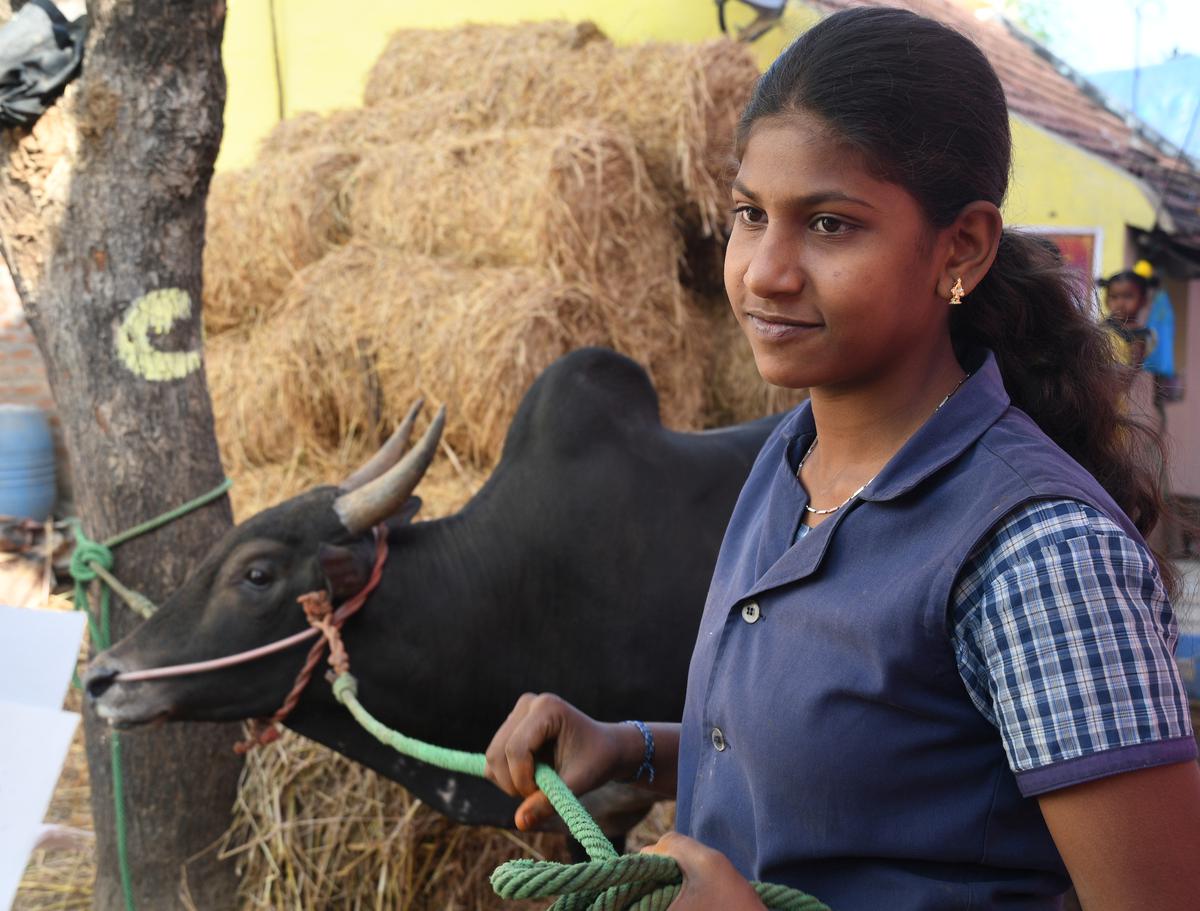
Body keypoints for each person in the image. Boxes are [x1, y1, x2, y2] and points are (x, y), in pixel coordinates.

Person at [484, 8, 1200, 910]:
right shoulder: (792, 460)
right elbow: (860, 761)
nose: (764, 272)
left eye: (828, 225)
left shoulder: (1039, 554)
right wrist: (631, 744)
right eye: (750, 215)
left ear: (963, 248)